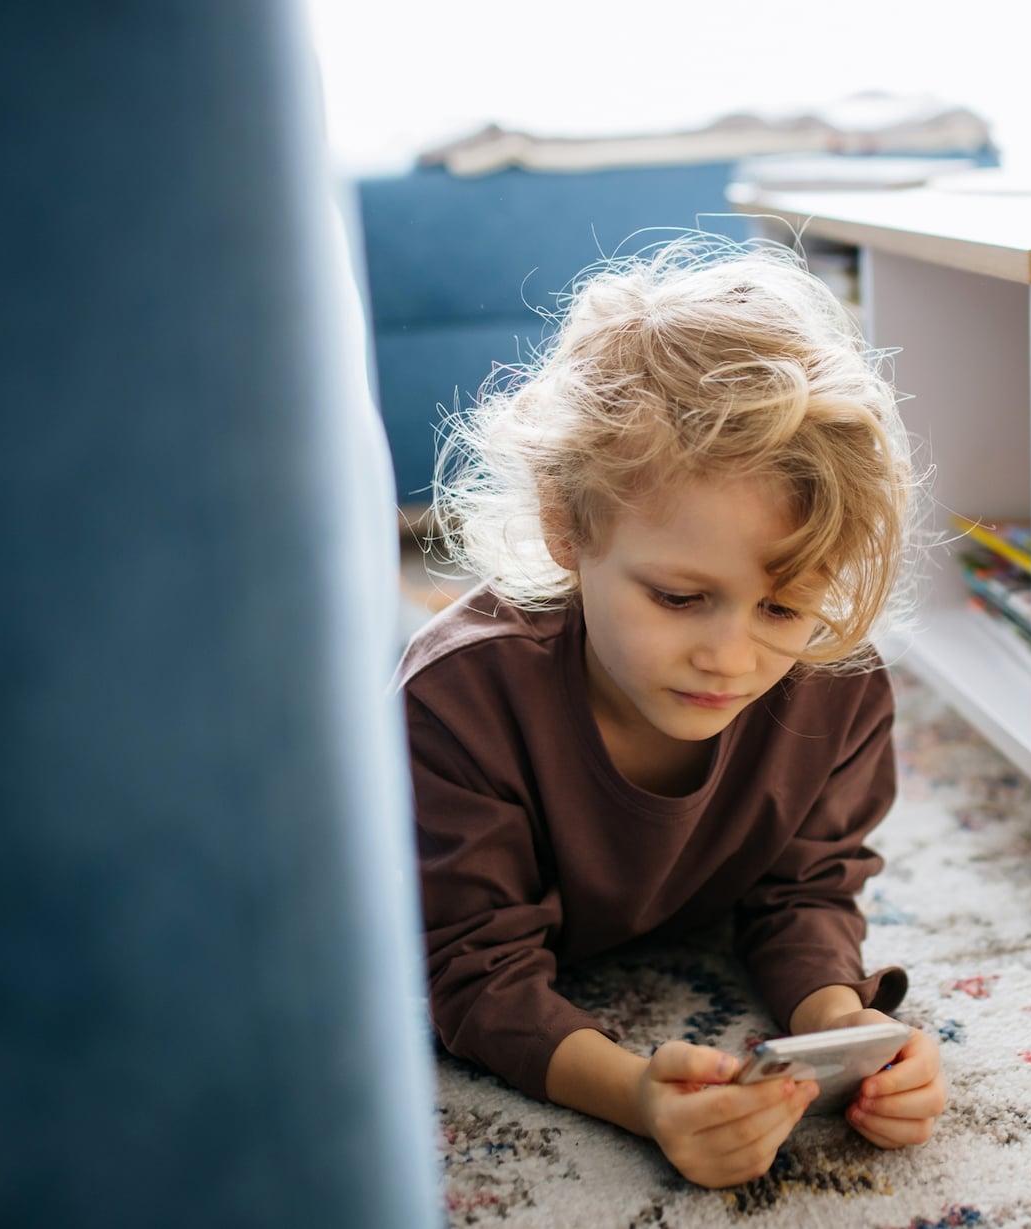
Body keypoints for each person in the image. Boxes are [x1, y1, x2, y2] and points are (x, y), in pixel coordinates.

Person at [393, 234, 947, 1188]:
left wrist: (846, 1031)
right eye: (680, 597)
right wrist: (642, 1093)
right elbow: (472, 973)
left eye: (782, 606)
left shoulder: (835, 684)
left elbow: (804, 890)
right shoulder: (457, 704)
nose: (731, 656)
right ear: (569, 527)